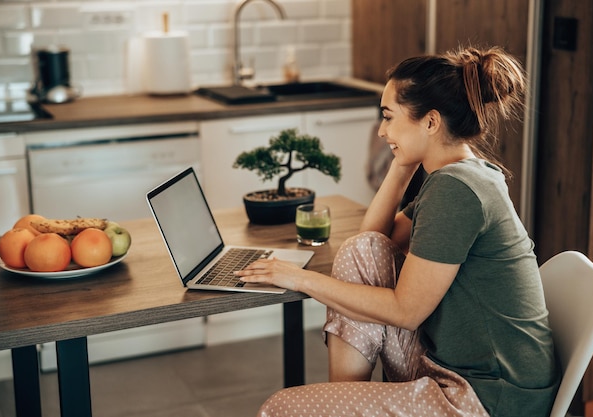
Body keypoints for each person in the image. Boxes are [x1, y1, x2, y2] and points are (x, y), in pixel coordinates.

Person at [235, 45, 561, 417]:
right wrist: (402, 165)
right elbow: (369, 244)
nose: (381, 129)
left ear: (431, 122)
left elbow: (406, 312)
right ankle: (345, 407)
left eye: (389, 117)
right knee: (362, 252)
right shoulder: (456, 176)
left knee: (280, 408)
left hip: (489, 398)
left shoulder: (458, 190)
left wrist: (300, 279)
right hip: (452, 366)